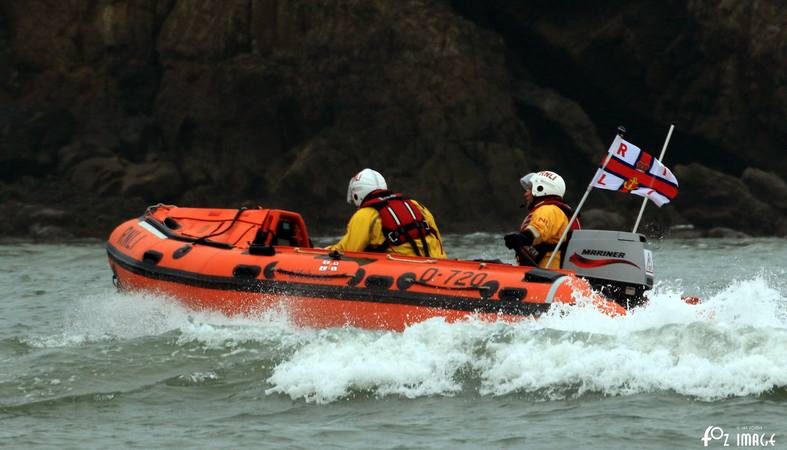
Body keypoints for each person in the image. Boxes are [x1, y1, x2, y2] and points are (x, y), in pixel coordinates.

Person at [328, 168, 446, 258]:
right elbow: (437, 238)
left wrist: (322, 251)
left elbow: (348, 251)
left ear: (357, 194)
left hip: (404, 271)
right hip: (439, 265)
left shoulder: (365, 215)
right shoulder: (416, 205)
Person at [503, 170, 580, 269]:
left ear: (541, 189)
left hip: (546, 274)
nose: (525, 194)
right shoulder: (556, 210)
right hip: (548, 273)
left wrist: (521, 237)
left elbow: (538, 230)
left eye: (530, 189)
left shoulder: (548, 210)